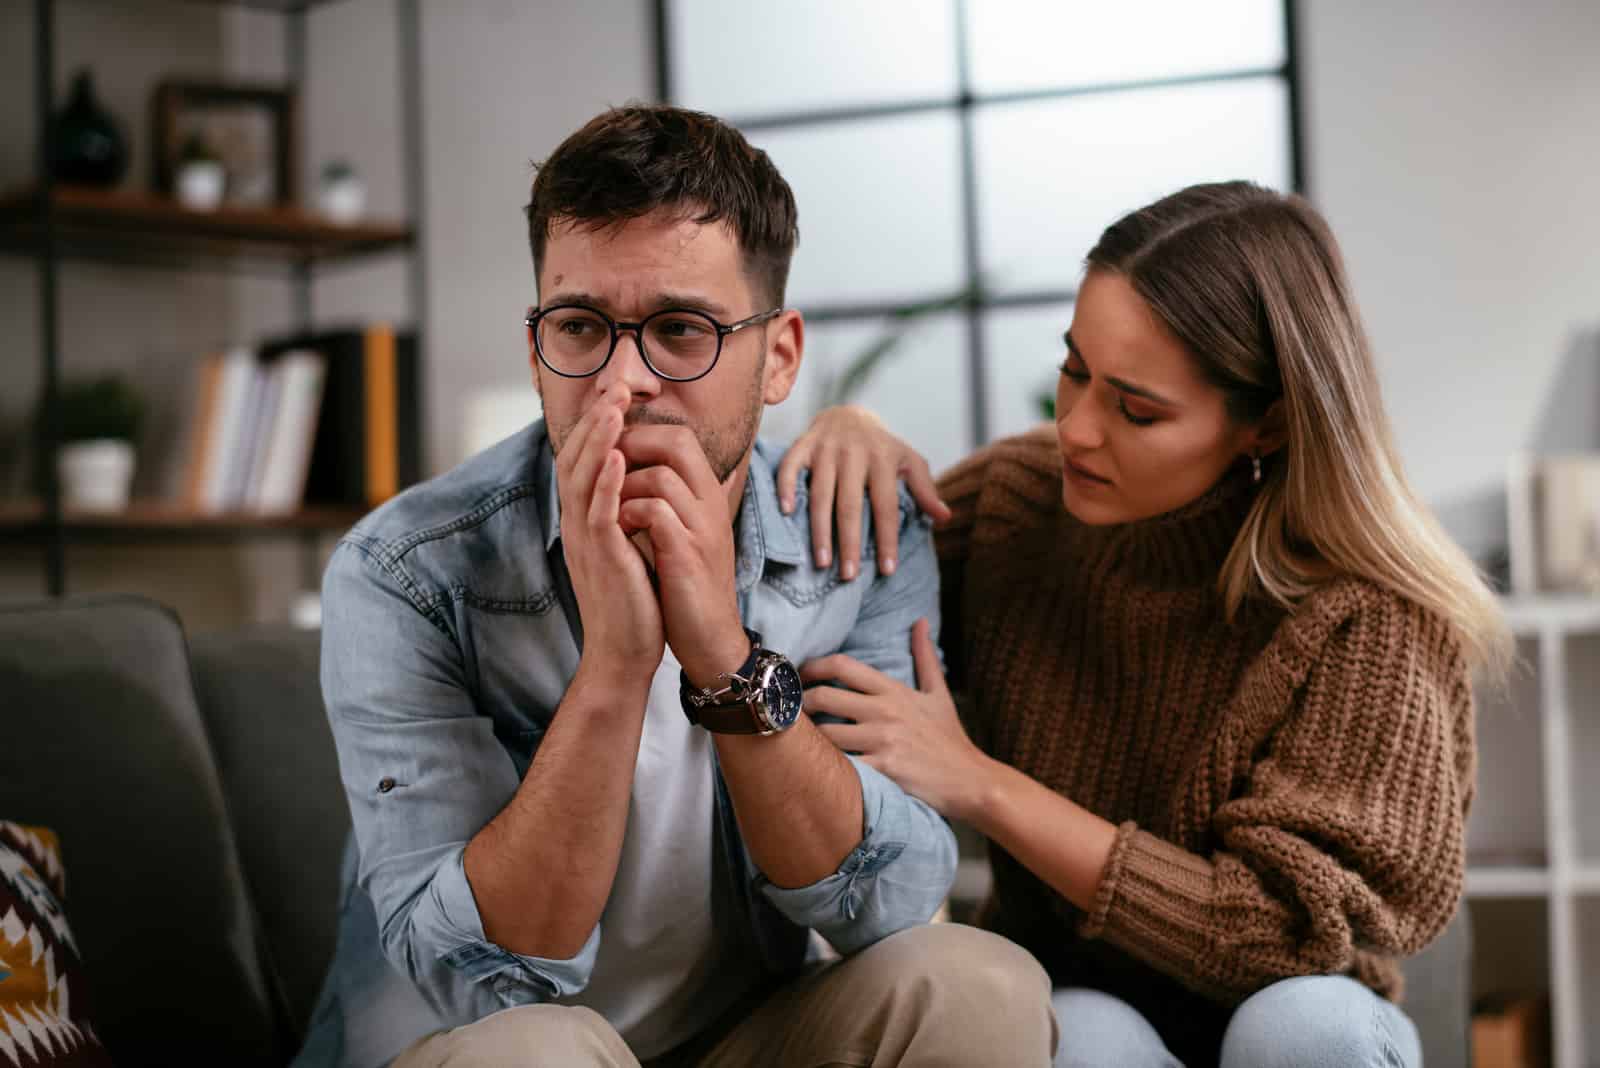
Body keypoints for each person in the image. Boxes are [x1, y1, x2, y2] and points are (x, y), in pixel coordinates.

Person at [294, 104, 1056, 1068]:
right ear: (537, 346)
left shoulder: (851, 533)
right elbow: (479, 980)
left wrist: (723, 658)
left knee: (980, 985)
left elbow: (889, 908)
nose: (626, 384)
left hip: (740, 1036)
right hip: (478, 1048)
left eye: (681, 330)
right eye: (580, 327)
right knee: (537, 1053)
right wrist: (616, 666)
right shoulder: (403, 570)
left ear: (778, 356)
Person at [777, 181, 1509, 1068]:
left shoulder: (1369, 614)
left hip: (1295, 1011)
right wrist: (849, 433)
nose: (1076, 429)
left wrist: (985, 785)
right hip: (1083, 1004)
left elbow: (1284, 937)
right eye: (1074, 369)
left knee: (1304, 1030)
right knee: (1083, 1034)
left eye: (1137, 409)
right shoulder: (1017, 506)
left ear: (1266, 424)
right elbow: (829, 598)